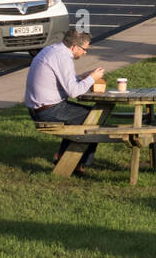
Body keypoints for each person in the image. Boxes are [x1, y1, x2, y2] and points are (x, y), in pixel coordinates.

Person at [24, 29, 106, 175]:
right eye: (84, 49)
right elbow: (74, 92)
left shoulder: (53, 50)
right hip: (48, 110)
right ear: (74, 47)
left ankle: (64, 157)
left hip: (39, 107)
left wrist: (82, 77)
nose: (85, 53)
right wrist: (92, 78)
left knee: (84, 116)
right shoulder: (63, 58)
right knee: (94, 118)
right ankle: (77, 163)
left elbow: (65, 81)